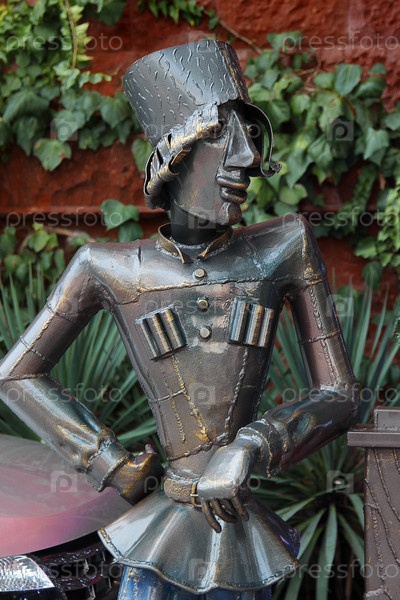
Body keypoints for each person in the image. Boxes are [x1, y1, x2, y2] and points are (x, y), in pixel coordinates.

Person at [0, 41, 359, 599]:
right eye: (222, 135)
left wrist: (251, 445)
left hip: (238, 532)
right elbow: (16, 373)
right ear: (175, 153)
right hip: (160, 530)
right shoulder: (108, 267)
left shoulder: (285, 248)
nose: (248, 158)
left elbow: (341, 393)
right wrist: (109, 462)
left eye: (251, 136)